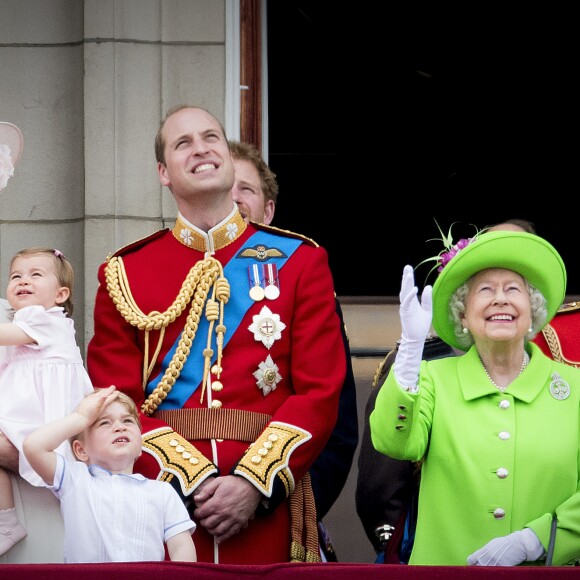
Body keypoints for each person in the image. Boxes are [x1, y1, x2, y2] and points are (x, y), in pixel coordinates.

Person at [86, 105, 346, 564]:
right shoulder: (124, 272)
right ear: (164, 173)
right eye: (183, 143)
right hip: (160, 506)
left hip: (267, 504)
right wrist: (191, 481)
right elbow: (113, 401)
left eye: (211, 138)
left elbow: (320, 392)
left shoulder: (300, 260)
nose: (201, 148)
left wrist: (253, 482)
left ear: (227, 156)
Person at [370, 227, 580, 566]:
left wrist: (536, 539)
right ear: (463, 314)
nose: (500, 298)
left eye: (513, 289)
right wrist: (410, 352)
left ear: (533, 310)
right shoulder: (434, 381)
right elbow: (394, 443)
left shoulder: (576, 388)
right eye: (485, 290)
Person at [229, 139, 359, 561]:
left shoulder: (303, 277)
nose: (232, 197)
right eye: (222, 185)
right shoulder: (165, 281)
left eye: (244, 189)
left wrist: (283, 503)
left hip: (280, 507)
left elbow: (335, 422)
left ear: (268, 210)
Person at [23, 385, 197, 562]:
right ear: (81, 450)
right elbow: (34, 446)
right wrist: (81, 417)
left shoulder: (162, 492)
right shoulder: (74, 480)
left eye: (128, 421)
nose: (119, 427)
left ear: (140, 447)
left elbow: (181, 547)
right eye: (104, 422)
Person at [0, 247, 94, 556]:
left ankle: (7, 521)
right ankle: (6, 520)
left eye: (35, 275)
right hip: (24, 413)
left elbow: (6, 335)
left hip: (41, 419)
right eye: (16, 276)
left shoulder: (48, 320)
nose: (23, 280)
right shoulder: (27, 321)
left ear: (60, 294)